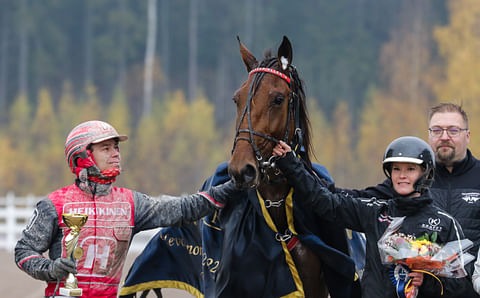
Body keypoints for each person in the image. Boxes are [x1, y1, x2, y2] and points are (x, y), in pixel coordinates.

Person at [14, 120, 239, 298]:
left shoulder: (132, 203)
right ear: (83, 156)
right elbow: (24, 252)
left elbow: (183, 208)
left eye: (116, 147)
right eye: (106, 148)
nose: (116, 153)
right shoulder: (53, 204)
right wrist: (50, 268)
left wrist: (231, 187)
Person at [273, 136, 472, 298]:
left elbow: (465, 286)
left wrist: (428, 282)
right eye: (396, 169)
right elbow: (326, 203)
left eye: (410, 169)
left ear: (426, 174)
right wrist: (292, 165)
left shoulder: (445, 223)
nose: (402, 175)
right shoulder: (374, 212)